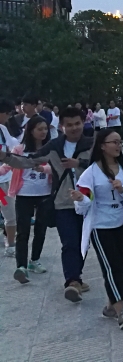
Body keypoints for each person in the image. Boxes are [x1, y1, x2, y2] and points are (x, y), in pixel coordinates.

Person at [71, 128, 123, 329]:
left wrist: (122, 189)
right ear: (102, 146)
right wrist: (81, 198)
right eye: (114, 142)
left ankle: (110, 307)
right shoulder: (90, 173)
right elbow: (84, 201)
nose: (119, 146)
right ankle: (121, 312)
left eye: (120, 142)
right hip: (101, 225)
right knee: (111, 266)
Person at [31, 107, 94, 302]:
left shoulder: (92, 144)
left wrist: (79, 163)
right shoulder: (55, 145)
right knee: (69, 242)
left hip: (88, 201)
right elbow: (30, 160)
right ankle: (72, 281)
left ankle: (76, 277)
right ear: (61, 126)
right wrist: (7, 157)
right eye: (69, 124)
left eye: (77, 123)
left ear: (83, 123)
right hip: (63, 202)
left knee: (83, 243)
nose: (74, 128)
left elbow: (104, 164)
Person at [7, 116, 52, 284]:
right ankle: (21, 266)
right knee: (23, 230)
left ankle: (34, 260)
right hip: (24, 194)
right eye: (40, 129)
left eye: (45, 129)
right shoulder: (20, 149)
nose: (43, 132)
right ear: (31, 131)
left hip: (45, 193)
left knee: (41, 229)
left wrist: (44, 169)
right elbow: (9, 164)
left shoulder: (50, 149)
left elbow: (56, 167)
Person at [0, 99, 20, 257]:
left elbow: (12, 146)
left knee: (9, 213)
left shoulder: (2, 129)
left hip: (3, 182)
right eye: (7, 114)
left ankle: (11, 244)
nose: (8, 117)